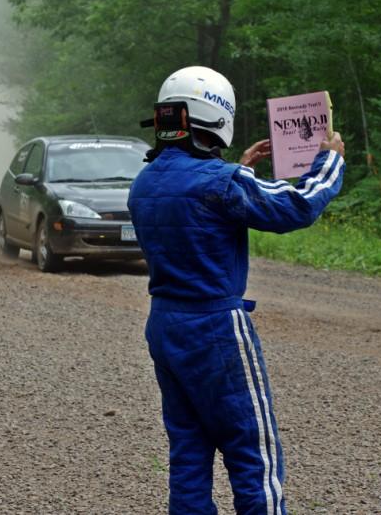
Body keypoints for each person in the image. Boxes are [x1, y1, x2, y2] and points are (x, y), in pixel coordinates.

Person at [128, 66, 345, 515]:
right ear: (217, 119)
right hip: (215, 328)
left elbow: (192, 207)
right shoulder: (221, 182)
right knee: (253, 450)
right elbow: (296, 207)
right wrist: (330, 161)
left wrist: (240, 170)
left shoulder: (144, 183)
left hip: (165, 324)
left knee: (188, 450)